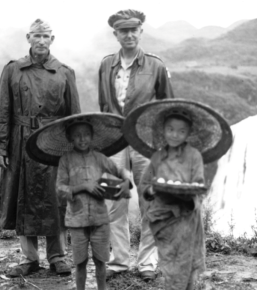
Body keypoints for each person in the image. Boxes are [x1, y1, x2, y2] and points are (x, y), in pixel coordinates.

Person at [0, 19, 81, 277]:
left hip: (54, 143)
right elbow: (2, 109)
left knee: (55, 199)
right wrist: (0, 146)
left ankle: (57, 257)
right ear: (28, 38)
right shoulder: (13, 70)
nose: (41, 40)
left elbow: (74, 115)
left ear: (53, 40)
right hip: (20, 140)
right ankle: (29, 258)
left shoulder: (65, 72)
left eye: (46, 36)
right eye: (37, 36)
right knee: (23, 196)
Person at [98, 9, 174, 281]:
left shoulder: (155, 65)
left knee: (149, 200)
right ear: (115, 34)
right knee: (114, 200)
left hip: (146, 141)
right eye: (123, 31)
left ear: (141, 32)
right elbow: (104, 106)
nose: (129, 35)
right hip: (114, 140)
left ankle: (147, 263)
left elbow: (168, 107)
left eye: (133, 30)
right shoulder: (106, 64)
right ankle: (118, 262)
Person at [54, 114, 132, 290]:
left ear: (92, 136)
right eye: (77, 135)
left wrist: (126, 182)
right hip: (76, 220)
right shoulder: (65, 160)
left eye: (86, 134)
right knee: (80, 263)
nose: (82, 139)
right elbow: (59, 189)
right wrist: (83, 186)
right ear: (70, 138)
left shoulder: (99, 158)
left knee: (100, 261)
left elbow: (120, 171)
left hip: (99, 219)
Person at [138, 107, 207, 290]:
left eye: (181, 131)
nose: (175, 135)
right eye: (171, 129)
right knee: (170, 264)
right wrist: (151, 190)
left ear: (188, 133)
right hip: (164, 219)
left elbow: (199, 186)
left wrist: (188, 193)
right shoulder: (158, 157)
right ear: (163, 130)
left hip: (187, 219)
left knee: (187, 263)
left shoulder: (194, 156)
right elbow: (145, 185)